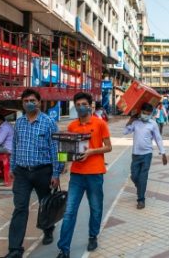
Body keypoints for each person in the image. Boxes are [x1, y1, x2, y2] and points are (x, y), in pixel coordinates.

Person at [4, 89, 63, 258]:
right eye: (26, 101)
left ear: (39, 102)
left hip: (43, 171)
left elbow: (56, 149)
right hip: (22, 173)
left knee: (46, 204)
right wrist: (12, 168)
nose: (30, 103)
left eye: (33, 100)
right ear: (22, 103)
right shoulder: (19, 123)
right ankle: (15, 249)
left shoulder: (49, 122)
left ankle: (48, 229)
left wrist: (56, 173)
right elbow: (15, 146)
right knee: (20, 208)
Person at [57, 93, 112, 258]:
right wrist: (64, 163)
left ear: (90, 105)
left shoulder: (100, 123)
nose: (81, 107)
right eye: (78, 104)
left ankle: (93, 235)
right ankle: (64, 249)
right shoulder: (72, 126)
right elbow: (68, 149)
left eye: (84, 104)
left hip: (95, 173)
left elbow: (108, 147)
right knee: (69, 212)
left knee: (95, 207)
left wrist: (92, 151)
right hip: (77, 175)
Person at [124, 103, 167, 209]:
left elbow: (158, 138)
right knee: (134, 176)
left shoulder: (153, 124)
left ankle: (141, 200)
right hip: (136, 154)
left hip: (147, 154)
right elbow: (125, 131)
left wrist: (163, 153)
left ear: (151, 114)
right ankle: (140, 188)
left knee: (143, 177)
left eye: (148, 114)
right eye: (144, 113)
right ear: (141, 112)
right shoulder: (136, 122)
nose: (145, 115)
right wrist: (131, 119)